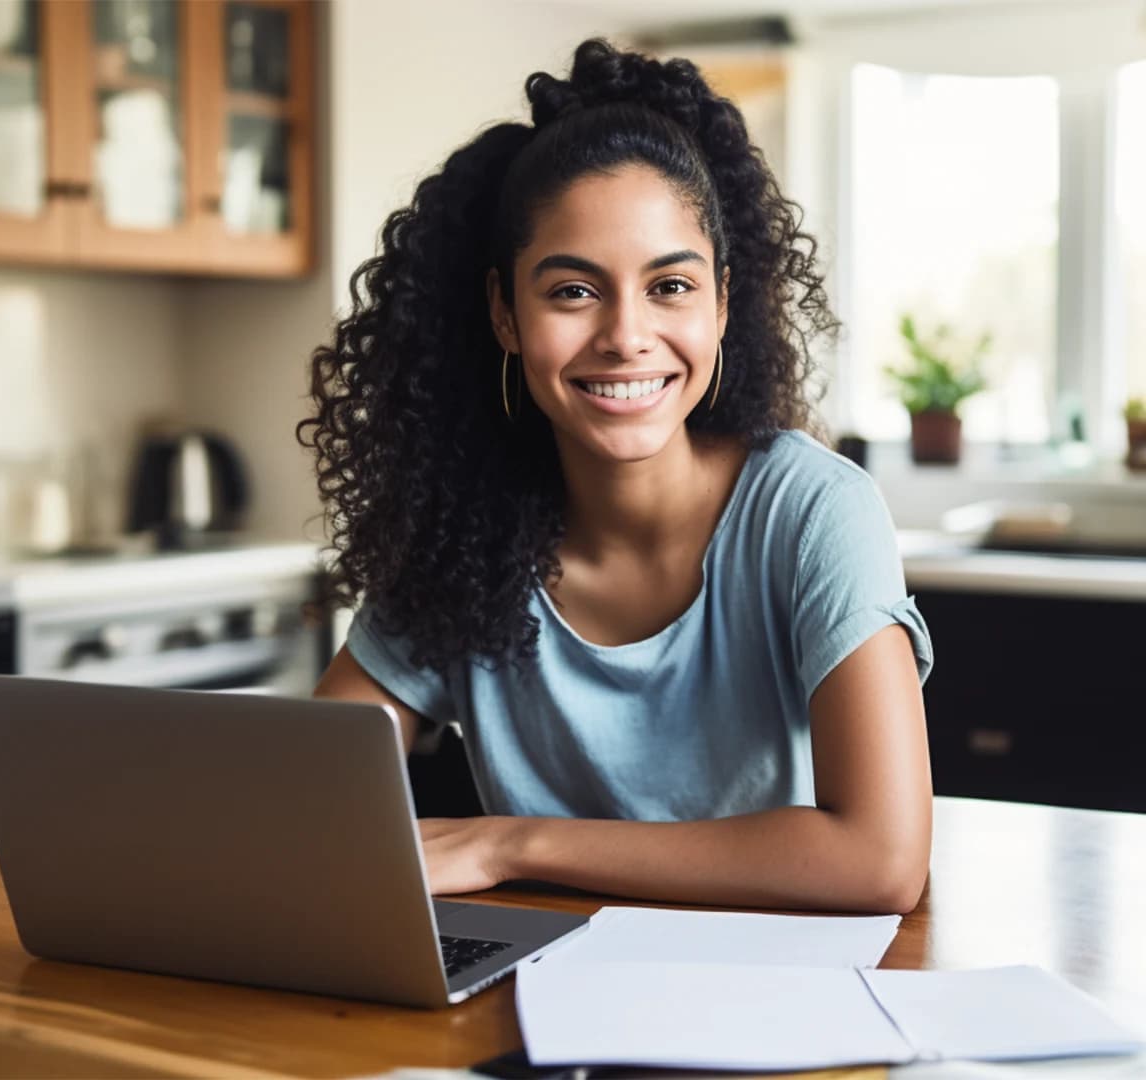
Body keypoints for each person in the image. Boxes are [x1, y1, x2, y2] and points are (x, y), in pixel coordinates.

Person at [303, 39, 934, 915]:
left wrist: (510, 843)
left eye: (670, 286)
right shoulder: (462, 528)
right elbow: (307, 797)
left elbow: (881, 860)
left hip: (777, 1004)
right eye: (572, 291)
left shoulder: (815, 513)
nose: (626, 336)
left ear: (721, 299)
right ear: (505, 313)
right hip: (531, 1006)